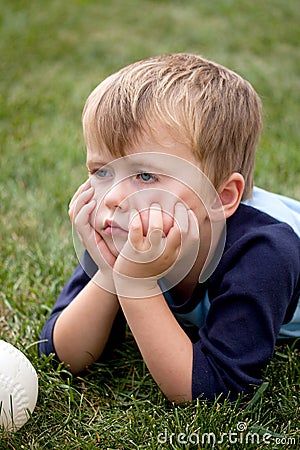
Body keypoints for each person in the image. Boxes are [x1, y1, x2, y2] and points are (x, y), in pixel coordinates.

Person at [39, 53, 300, 403]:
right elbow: (59, 355)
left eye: (146, 176)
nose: (113, 197)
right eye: (102, 171)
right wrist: (109, 271)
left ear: (220, 197)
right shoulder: (128, 226)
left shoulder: (263, 252)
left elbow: (214, 388)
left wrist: (135, 282)